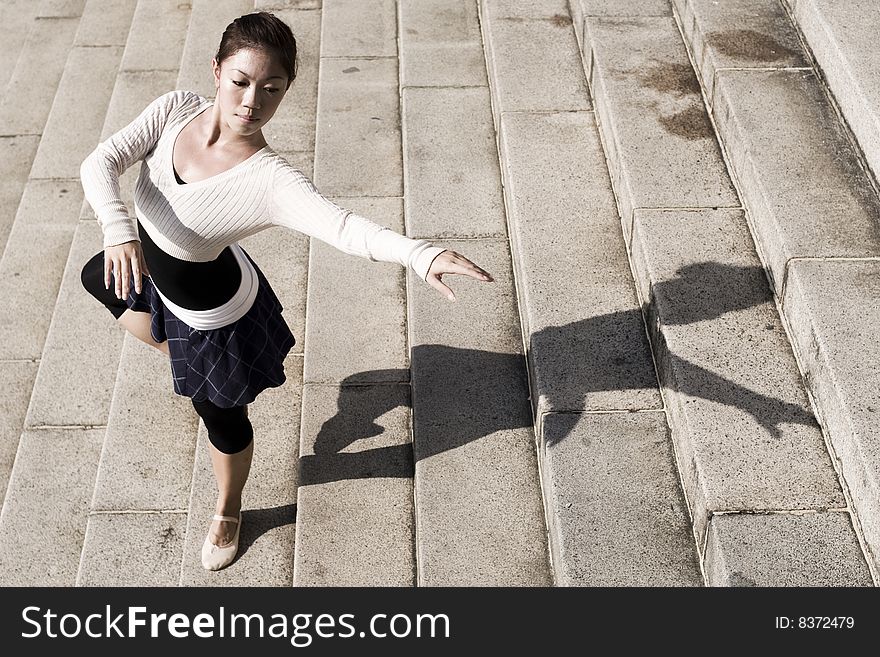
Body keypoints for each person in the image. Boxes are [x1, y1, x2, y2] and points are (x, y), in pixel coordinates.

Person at [79, 11, 493, 571]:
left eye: (272, 89)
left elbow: (345, 227)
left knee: (220, 418)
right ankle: (174, 350)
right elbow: (100, 161)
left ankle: (228, 509)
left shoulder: (271, 180)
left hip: (215, 314)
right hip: (155, 275)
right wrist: (117, 230)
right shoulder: (174, 109)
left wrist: (421, 254)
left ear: (286, 90)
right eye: (241, 81)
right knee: (95, 277)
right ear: (217, 70)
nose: (252, 101)